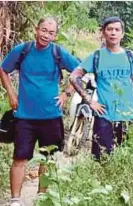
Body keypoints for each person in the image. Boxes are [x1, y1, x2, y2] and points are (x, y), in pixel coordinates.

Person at [0, 17, 80, 206]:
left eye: (51, 32)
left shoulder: (58, 53)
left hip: (51, 116)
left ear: (55, 35)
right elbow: (3, 69)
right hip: (24, 116)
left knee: (48, 158)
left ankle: (41, 199)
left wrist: (66, 94)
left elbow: (79, 70)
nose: (46, 35)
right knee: (20, 158)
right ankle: (15, 200)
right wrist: (11, 95)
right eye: (43, 30)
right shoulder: (23, 50)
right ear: (36, 30)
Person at [70, 16, 133, 160]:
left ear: (122, 34)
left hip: (128, 116)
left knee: (129, 160)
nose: (113, 33)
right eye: (109, 29)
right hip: (104, 116)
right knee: (101, 160)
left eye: (117, 30)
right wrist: (89, 101)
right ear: (103, 33)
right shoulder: (96, 56)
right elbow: (73, 77)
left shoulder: (130, 56)